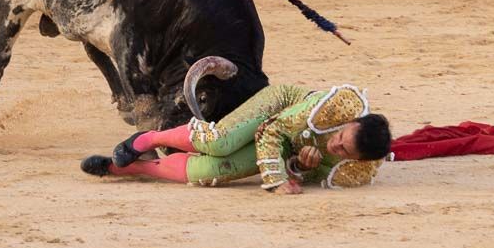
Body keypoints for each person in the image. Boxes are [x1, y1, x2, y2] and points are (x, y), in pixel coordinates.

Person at [81, 83, 393, 193]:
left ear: (356, 160)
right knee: (219, 142)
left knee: (212, 172)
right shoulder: (332, 106)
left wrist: (298, 166)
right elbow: (274, 129)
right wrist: (276, 180)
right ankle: (148, 139)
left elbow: (312, 175)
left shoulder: (355, 173)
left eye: (342, 151)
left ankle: (127, 169)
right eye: (341, 137)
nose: (334, 145)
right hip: (278, 110)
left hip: (284, 149)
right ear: (351, 121)